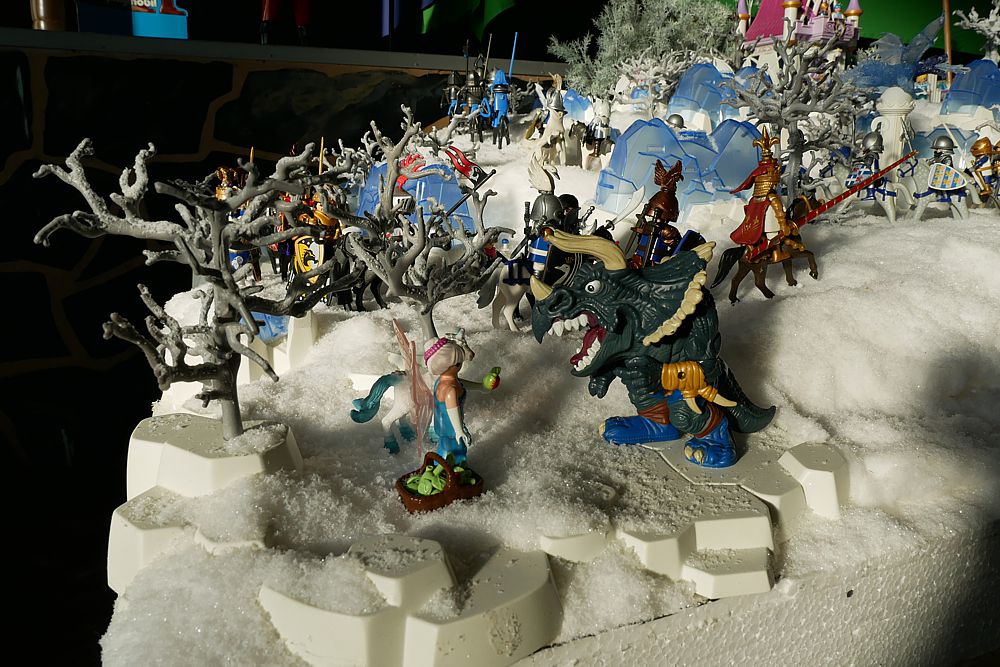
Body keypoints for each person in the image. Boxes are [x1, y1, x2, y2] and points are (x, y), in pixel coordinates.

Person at [423, 332, 476, 465]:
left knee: (445, 451)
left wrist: (481, 386)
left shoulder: (442, 381)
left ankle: (442, 469)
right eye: (459, 363)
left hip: (444, 429)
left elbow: (460, 384)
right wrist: (459, 431)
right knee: (456, 454)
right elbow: (452, 409)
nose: (461, 364)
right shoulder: (450, 390)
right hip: (451, 431)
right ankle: (450, 473)